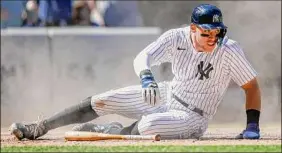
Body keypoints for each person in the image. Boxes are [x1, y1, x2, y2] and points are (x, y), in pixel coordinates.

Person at [10, 4, 261, 140]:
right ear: (193, 28)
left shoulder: (229, 50)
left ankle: (111, 131)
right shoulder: (177, 37)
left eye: (217, 33)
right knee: (102, 100)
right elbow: (144, 57)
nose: (212, 38)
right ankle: (40, 127)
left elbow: (251, 86)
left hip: (194, 115)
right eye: (206, 32)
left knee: (150, 125)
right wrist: (146, 77)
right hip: (167, 94)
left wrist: (252, 126)